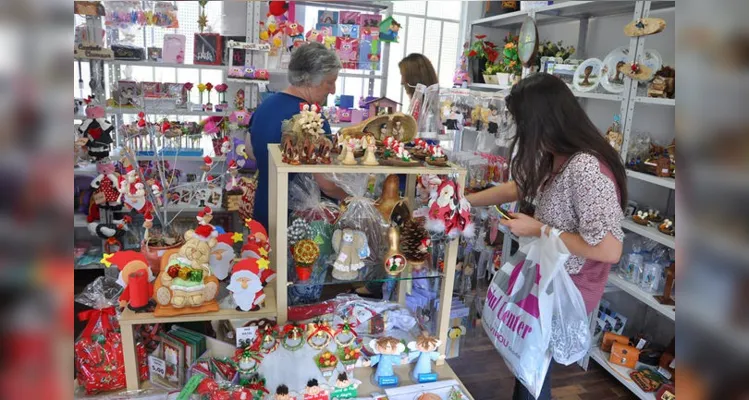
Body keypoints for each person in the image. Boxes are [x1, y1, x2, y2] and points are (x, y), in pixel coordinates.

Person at [465, 73, 627, 400]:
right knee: (527, 361)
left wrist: (539, 229)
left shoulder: (586, 166)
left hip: (569, 286)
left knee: (533, 368)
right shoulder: (556, 153)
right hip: (549, 275)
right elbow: (521, 185)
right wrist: (465, 201)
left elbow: (610, 250)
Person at [248, 42, 348, 228]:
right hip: (297, 221)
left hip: (264, 209)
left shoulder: (265, 107)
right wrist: (350, 196)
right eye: (330, 82)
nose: (333, 90)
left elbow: (251, 151)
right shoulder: (311, 119)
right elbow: (325, 183)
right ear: (310, 80)